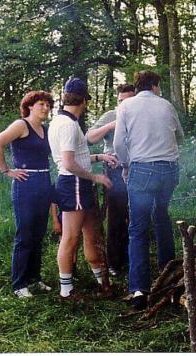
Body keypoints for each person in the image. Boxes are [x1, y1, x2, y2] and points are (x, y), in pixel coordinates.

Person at [113, 70, 184, 310]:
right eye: (159, 86)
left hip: (141, 170)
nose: (160, 90)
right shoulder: (166, 106)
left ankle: (139, 290)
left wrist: (125, 165)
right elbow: (180, 137)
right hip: (168, 170)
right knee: (162, 216)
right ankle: (169, 276)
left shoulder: (126, 106)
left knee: (138, 229)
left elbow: (118, 144)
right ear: (154, 85)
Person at [48, 77, 117, 299]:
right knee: (70, 237)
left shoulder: (62, 121)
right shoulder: (68, 125)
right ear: (84, 101)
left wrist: (98, 156)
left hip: (78, 182)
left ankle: (102, 282)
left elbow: (77, 155)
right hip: (74, 183)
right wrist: (95, 177)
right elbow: (68, 163)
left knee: (91, 235)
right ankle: (66, 290)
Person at [0, 91, 55, 298]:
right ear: (29, 106)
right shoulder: (21, 125)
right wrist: (7, 171)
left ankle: (34, 279)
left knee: (38, 234)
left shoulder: (44, 129)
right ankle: (19, 284)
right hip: (25, 184)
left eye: (48, 105)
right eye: (41, 104)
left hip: (44, 182)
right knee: (25, 235)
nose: (45, 108)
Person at [86, 84, 135, 276]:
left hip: (138, 169)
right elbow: (90, 138)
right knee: (116, 217)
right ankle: (115, 263)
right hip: (114, 170)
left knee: (135, 216)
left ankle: (133, 259)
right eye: (121, 101)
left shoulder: (140, 114)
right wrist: (112, 125)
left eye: (128, 100)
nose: (124, 104)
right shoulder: (110, 115)